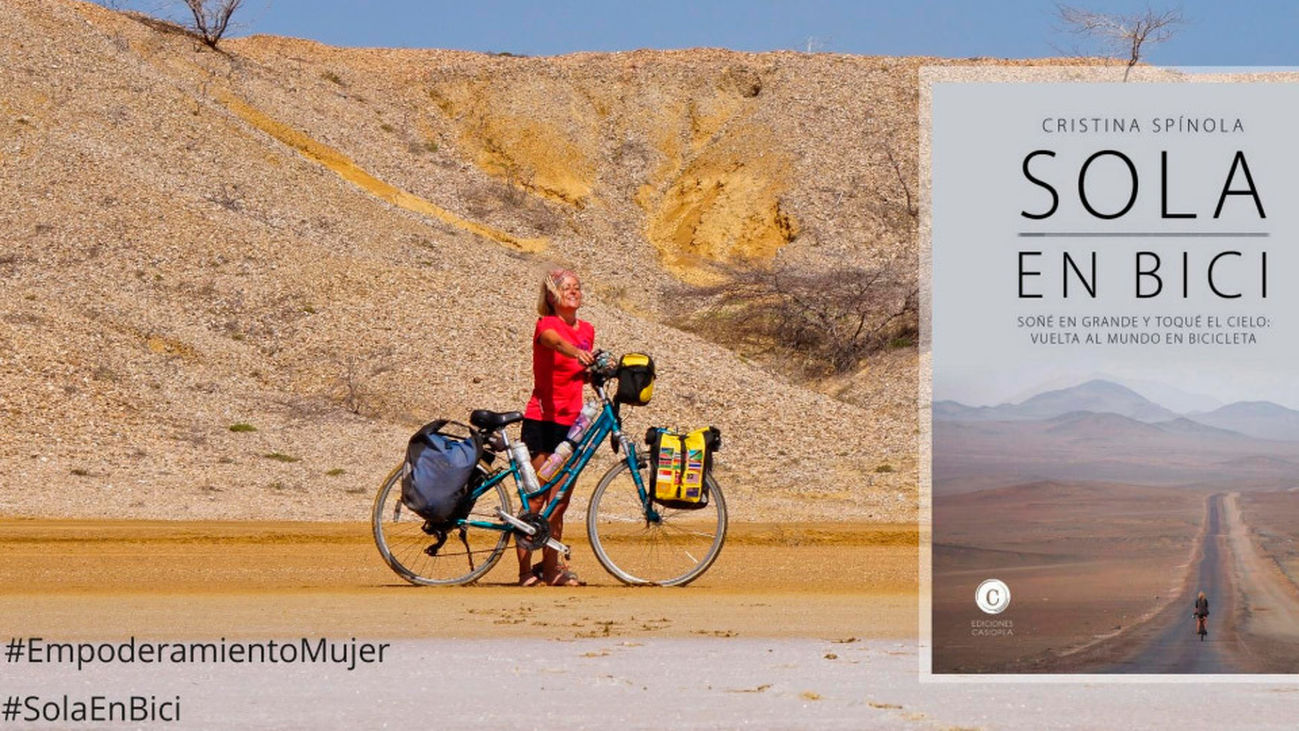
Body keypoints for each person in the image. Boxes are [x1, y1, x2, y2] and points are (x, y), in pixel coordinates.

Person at [515, 268, 594, 587]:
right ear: (552, 296)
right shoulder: (546, 325)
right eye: (566, 288)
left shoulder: (588, 328)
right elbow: (554, 343)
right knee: (536, 498)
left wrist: (591, 371)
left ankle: (550, 571)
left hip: (571, 424)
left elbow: (580, 369)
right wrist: (576, 353)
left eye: (577, 287)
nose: (573, 292)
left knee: (559, 501)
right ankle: (523, 572)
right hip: (542, 420)